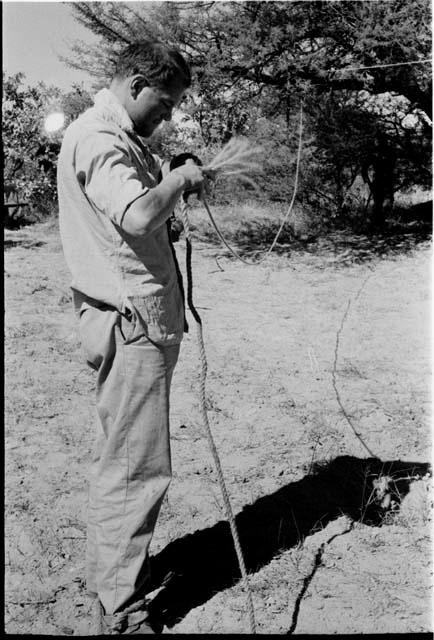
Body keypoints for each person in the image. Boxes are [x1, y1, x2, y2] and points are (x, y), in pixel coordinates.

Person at [57, 40, 206, 634]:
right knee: (137, 465)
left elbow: (139, 204)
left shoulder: (120, 141)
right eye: (165, 104)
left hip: (132, 319)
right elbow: (141, 216)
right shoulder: (97, 138)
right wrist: (183, 181)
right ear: (138, 83)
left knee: (124, 456)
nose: (167, 116)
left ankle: (112, 574)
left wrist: (169, 174)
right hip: (132, 323)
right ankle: (121, 605)